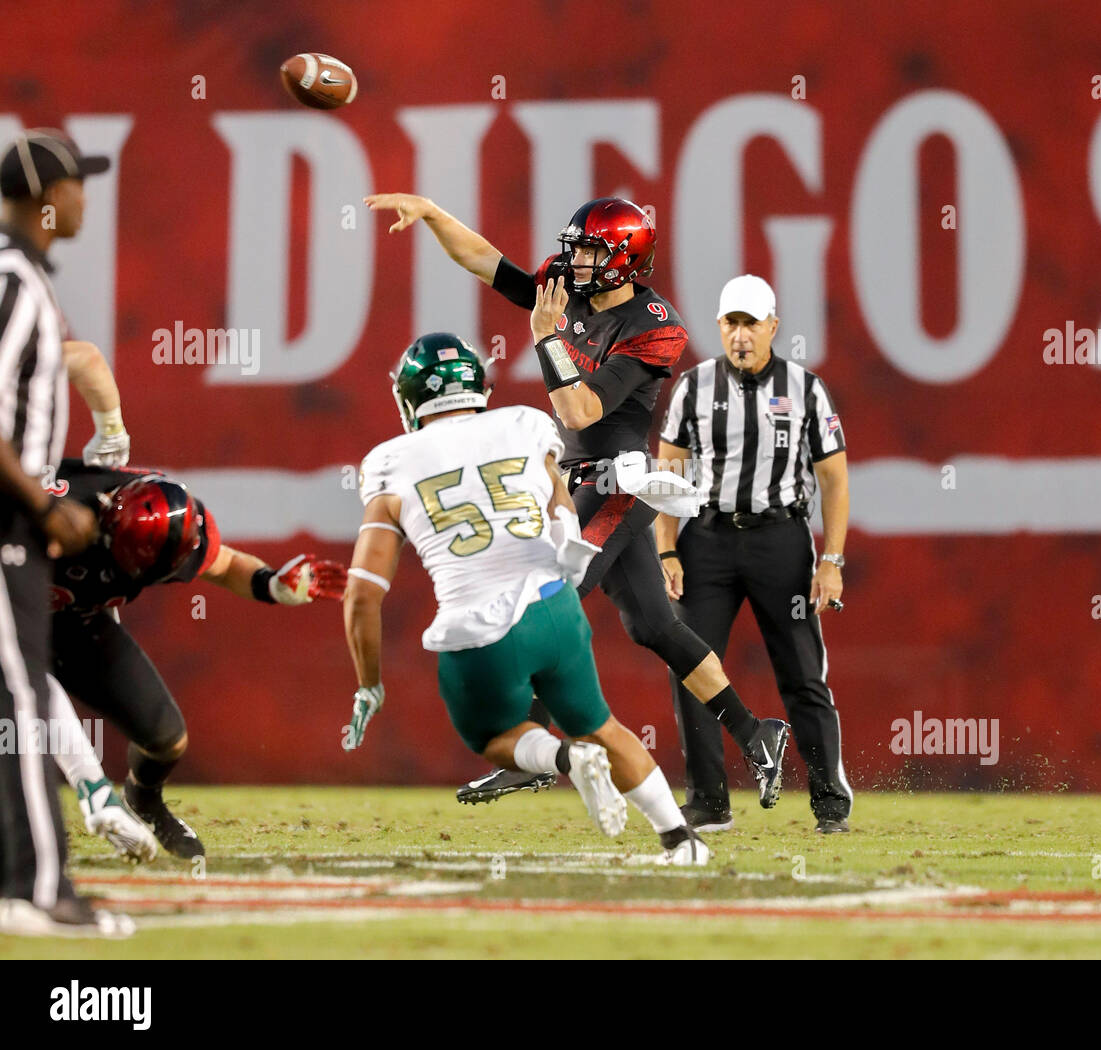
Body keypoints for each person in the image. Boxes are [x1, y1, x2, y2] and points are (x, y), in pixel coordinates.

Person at [363, 192, 789, 809]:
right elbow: (489, 262)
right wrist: (432, 214)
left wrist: (545, 339)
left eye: (591, 251)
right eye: (577, 250)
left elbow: (579, 408)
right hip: (577, 474)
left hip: (618, 479)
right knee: (653, 625)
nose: (575, 264)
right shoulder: (570, 286)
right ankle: (758, 733)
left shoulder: (655, 327)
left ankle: (526, 748)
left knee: (547, 594)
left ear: (624, 257)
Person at [340, 333, 711, 865]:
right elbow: (562, 510)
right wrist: (573, 554)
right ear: (478, 384)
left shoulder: (390, 462)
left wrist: (369, 683)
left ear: (411, 397)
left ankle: (564, 757)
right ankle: (679, 838)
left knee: (494, 737)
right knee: (602, 724)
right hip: (554, 608)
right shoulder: (525, 423)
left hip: (479, 634)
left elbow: (361, 594)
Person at [45, 460, 346, 858]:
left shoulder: (172, 534)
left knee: (166, 738)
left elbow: (225, 565)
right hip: (10, 612)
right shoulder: (59, 517)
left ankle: (144, 802)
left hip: (75, 623)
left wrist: (271, 584)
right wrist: (91, 785)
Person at [656, 275, 853, 834]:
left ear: (773, 326)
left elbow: (834, 480)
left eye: (750, 323)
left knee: (802, 674)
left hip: (780, 539)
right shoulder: (692, 388)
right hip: (708, 537)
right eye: (730, 323)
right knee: (691, 667)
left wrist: (831, 561)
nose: (740, 335)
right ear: (719, 326)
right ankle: (710, 799)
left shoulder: (806, 388)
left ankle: (829, 802)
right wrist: (667, 550)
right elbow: (667, 478)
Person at [0, 128, 126, 936]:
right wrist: (44, 507)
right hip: (5, 522)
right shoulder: (14, 281)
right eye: (77, 182)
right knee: (20, 698)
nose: (86, 196)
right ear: (48, 195)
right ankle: (39, 889)